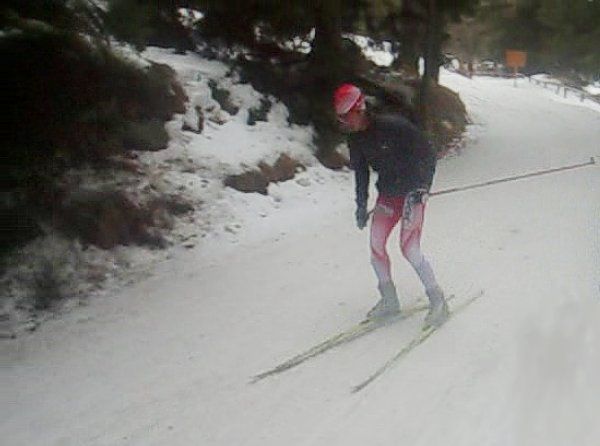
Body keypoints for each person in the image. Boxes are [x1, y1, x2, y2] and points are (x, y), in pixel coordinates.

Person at [333, 83, 448, 327]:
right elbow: (361, 173)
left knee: (409, 249)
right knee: (376, 246)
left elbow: (427, 153)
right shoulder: (355, 140)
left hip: (412, 194)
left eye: (347, 115)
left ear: (359, 109)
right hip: (388, 195)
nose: (345, 122)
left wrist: (423, 188)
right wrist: (361, 206)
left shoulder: (393, 126)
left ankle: (438, 300)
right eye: (341, 117)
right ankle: (389, 300)